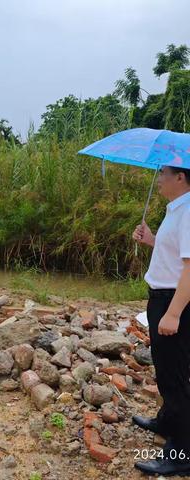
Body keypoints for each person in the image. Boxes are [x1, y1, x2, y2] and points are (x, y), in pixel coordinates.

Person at [132, 165, 190, 476]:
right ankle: (167, 421)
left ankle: (182, 454)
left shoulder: (189, 211)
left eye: (164, 173)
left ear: (181, 177)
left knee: (175, 377)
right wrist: (152, 240)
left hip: (173, 301)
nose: (160, 178)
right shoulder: (177, 209)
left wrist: (174, 313)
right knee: (165, 368)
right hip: (161, 298)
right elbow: (175, 255)